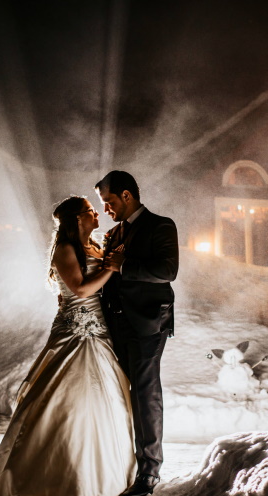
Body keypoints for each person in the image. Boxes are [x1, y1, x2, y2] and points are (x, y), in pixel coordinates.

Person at [0, 196, 135, 496]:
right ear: (76, 219)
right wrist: (112, 267)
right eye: (89, 210)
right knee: (64, 401)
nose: (96, 213)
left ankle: (106, 469)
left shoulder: (96, 247)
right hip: (74, 333)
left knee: (106, 399)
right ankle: (51, 471)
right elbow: (81, 288)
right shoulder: (65, 249)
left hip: (101, 332)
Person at [96, 170, 179, 496]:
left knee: (145, 393)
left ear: (127, 195)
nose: (106, 209)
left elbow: (167, 270)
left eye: (109, 201)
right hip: (115, 327)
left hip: (148, 324)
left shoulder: (161, 225)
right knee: (122, 394)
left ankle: (149, 472)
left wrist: (123, 266)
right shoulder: (113, 233)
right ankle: (122, 464)